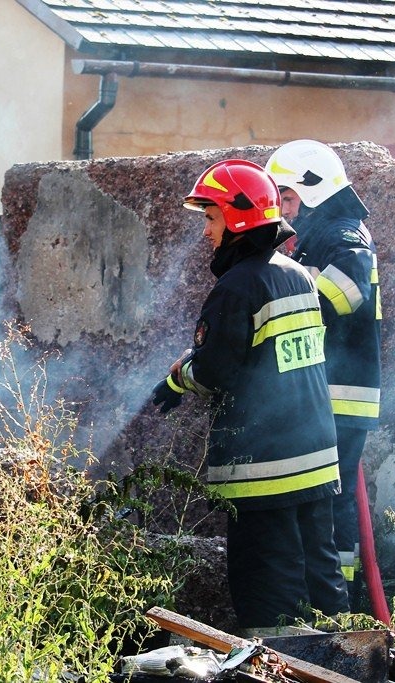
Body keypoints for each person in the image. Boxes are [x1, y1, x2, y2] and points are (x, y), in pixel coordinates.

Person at [150, 158, 349, 630]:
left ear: (237, 219)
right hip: (315, 459)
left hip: (266, 470)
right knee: (322, 581)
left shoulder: (237, 286)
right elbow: (266, 352)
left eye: (211, 217)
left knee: (269, 592)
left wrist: (179, 379)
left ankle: (283, 675)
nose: (206, 232)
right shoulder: (297, 276)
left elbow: (219, 369)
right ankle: (345, 665)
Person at [266, 140, 382, 598]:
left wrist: (283, 287)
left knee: (331, 505)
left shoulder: (343, 233)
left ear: (314, 193)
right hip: (326, 392)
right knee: (322, 503)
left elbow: (347, 290)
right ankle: (328, 599)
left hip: (340, 393)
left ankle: (341, 607)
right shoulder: (320, 234)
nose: (283, 211)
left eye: (288, 198)